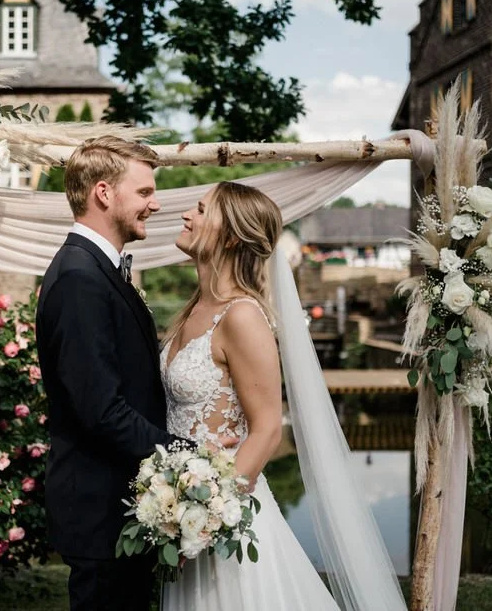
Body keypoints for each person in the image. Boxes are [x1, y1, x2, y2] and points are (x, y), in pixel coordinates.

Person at [161, 181, 407, 611]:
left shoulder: (241, 316)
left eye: (201, 210)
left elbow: (268, 430)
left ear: (231, 235)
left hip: (223, 517)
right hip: (183, 504)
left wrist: (206, 522)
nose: (186, 215)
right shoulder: (193, 307)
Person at [36, 136, 178, 611]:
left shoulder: (98, 269)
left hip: (118, 507)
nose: (154, 204)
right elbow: (101, 410)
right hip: (101, 514)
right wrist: (183, 456)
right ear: (103, 192)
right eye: (144, 192)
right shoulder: (80, 277)